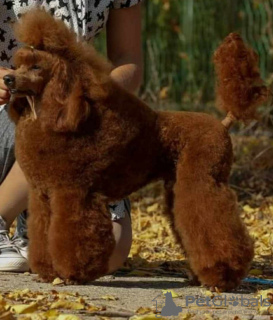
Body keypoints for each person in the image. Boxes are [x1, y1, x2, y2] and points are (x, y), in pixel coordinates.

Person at [0, 0, 143, 273]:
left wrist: (93, 93)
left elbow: (130, 60)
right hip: (7, 112)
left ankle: (32, 231)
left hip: (74, 123)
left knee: (105, 254)